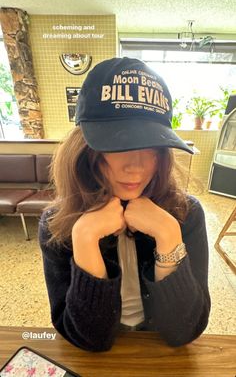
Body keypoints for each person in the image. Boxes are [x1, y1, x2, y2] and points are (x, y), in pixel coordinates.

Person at [39, 57, 210, 352]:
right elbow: (89, 339)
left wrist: (169, 237)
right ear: (85, 149)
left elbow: (184, 332)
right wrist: (84, 239)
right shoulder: (57, 223)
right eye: (119, 144)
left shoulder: (187, 214)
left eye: (152, 147)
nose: (137, 167)